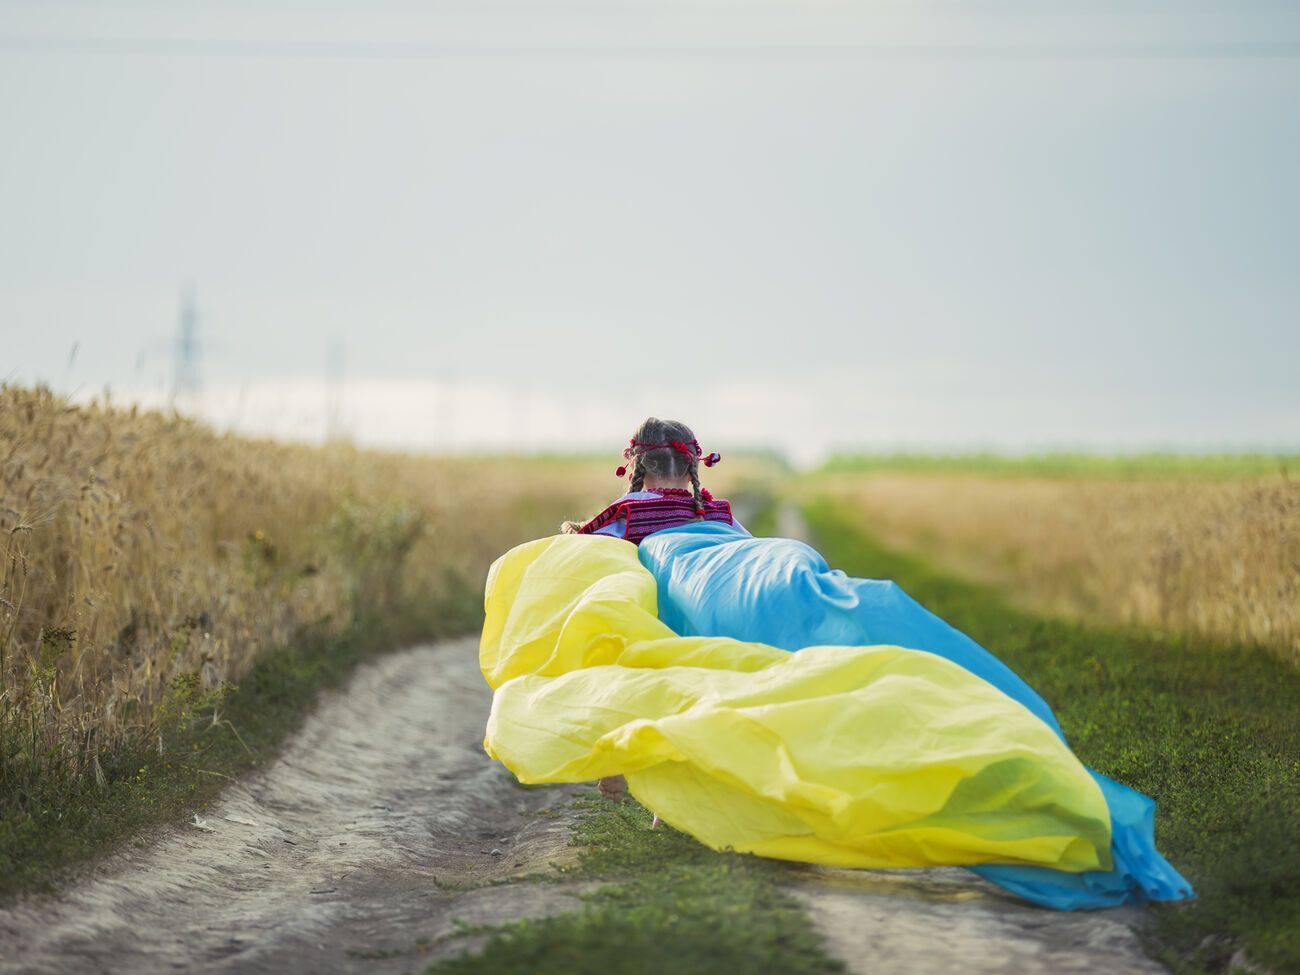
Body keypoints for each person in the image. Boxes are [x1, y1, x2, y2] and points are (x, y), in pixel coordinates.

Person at [481, 417, 1193, 911]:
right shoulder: (720, 512)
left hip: (718, 583)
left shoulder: (627, 512)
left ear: (636, 467)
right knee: (842, 647)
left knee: (714, 682)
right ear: (693, 468)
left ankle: (699, 774)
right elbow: (740, 542)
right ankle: (1025, 756)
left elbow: (584, 544)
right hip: (773, 566)